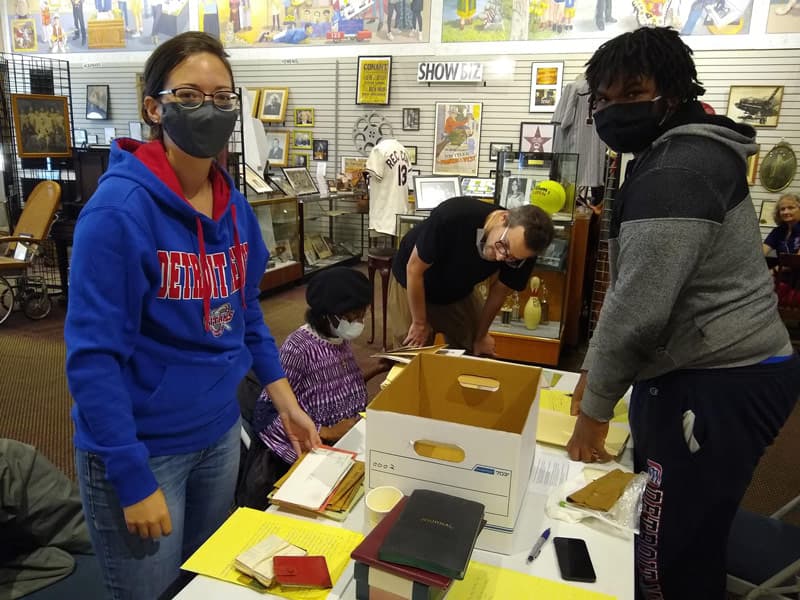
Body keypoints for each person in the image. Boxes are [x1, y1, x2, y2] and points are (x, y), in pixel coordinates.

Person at [65, 31, 320, 600]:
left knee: (206, 585)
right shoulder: (117, 214)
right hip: (143, 450)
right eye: (189, 95)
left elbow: (245, 310)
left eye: (222, 97)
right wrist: (130, 477)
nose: (209, 109)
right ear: (154, 108)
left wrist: (287, 402)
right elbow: (92, 360)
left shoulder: (233, 206)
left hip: (219, 433)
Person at [565, 27, 800, 599]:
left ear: (671, 92)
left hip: (722, 376)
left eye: (632, 92)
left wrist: (595, 410)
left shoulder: (677, 169)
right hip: (711, 365)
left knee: (667, 546)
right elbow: (637, 295)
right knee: (677, 521)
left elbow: (638, 308)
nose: (614, 109)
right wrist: (598, 374)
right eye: (604, 98)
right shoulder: (672, 151)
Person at [254, 267, 386, 474]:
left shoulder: (338, 339)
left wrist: (379, 368)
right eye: (351, 317)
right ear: (326, 316)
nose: (358, 324)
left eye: (362, 316)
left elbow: (338, 384)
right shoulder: (298, 349)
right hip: (316, 449)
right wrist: (326, 432)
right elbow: (266, 412)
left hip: (348, 437)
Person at [388, 197, 554, 355]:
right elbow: (414, 269)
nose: (500, 257)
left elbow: (499, 292)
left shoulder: (524, 254)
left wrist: (481, 336)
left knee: (475, 348)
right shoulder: (455, 215)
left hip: (459, 287)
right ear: (503, 218)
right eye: (504, 246)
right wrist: (419, 323)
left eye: (511, 258)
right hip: (412, 280)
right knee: (410, 352)